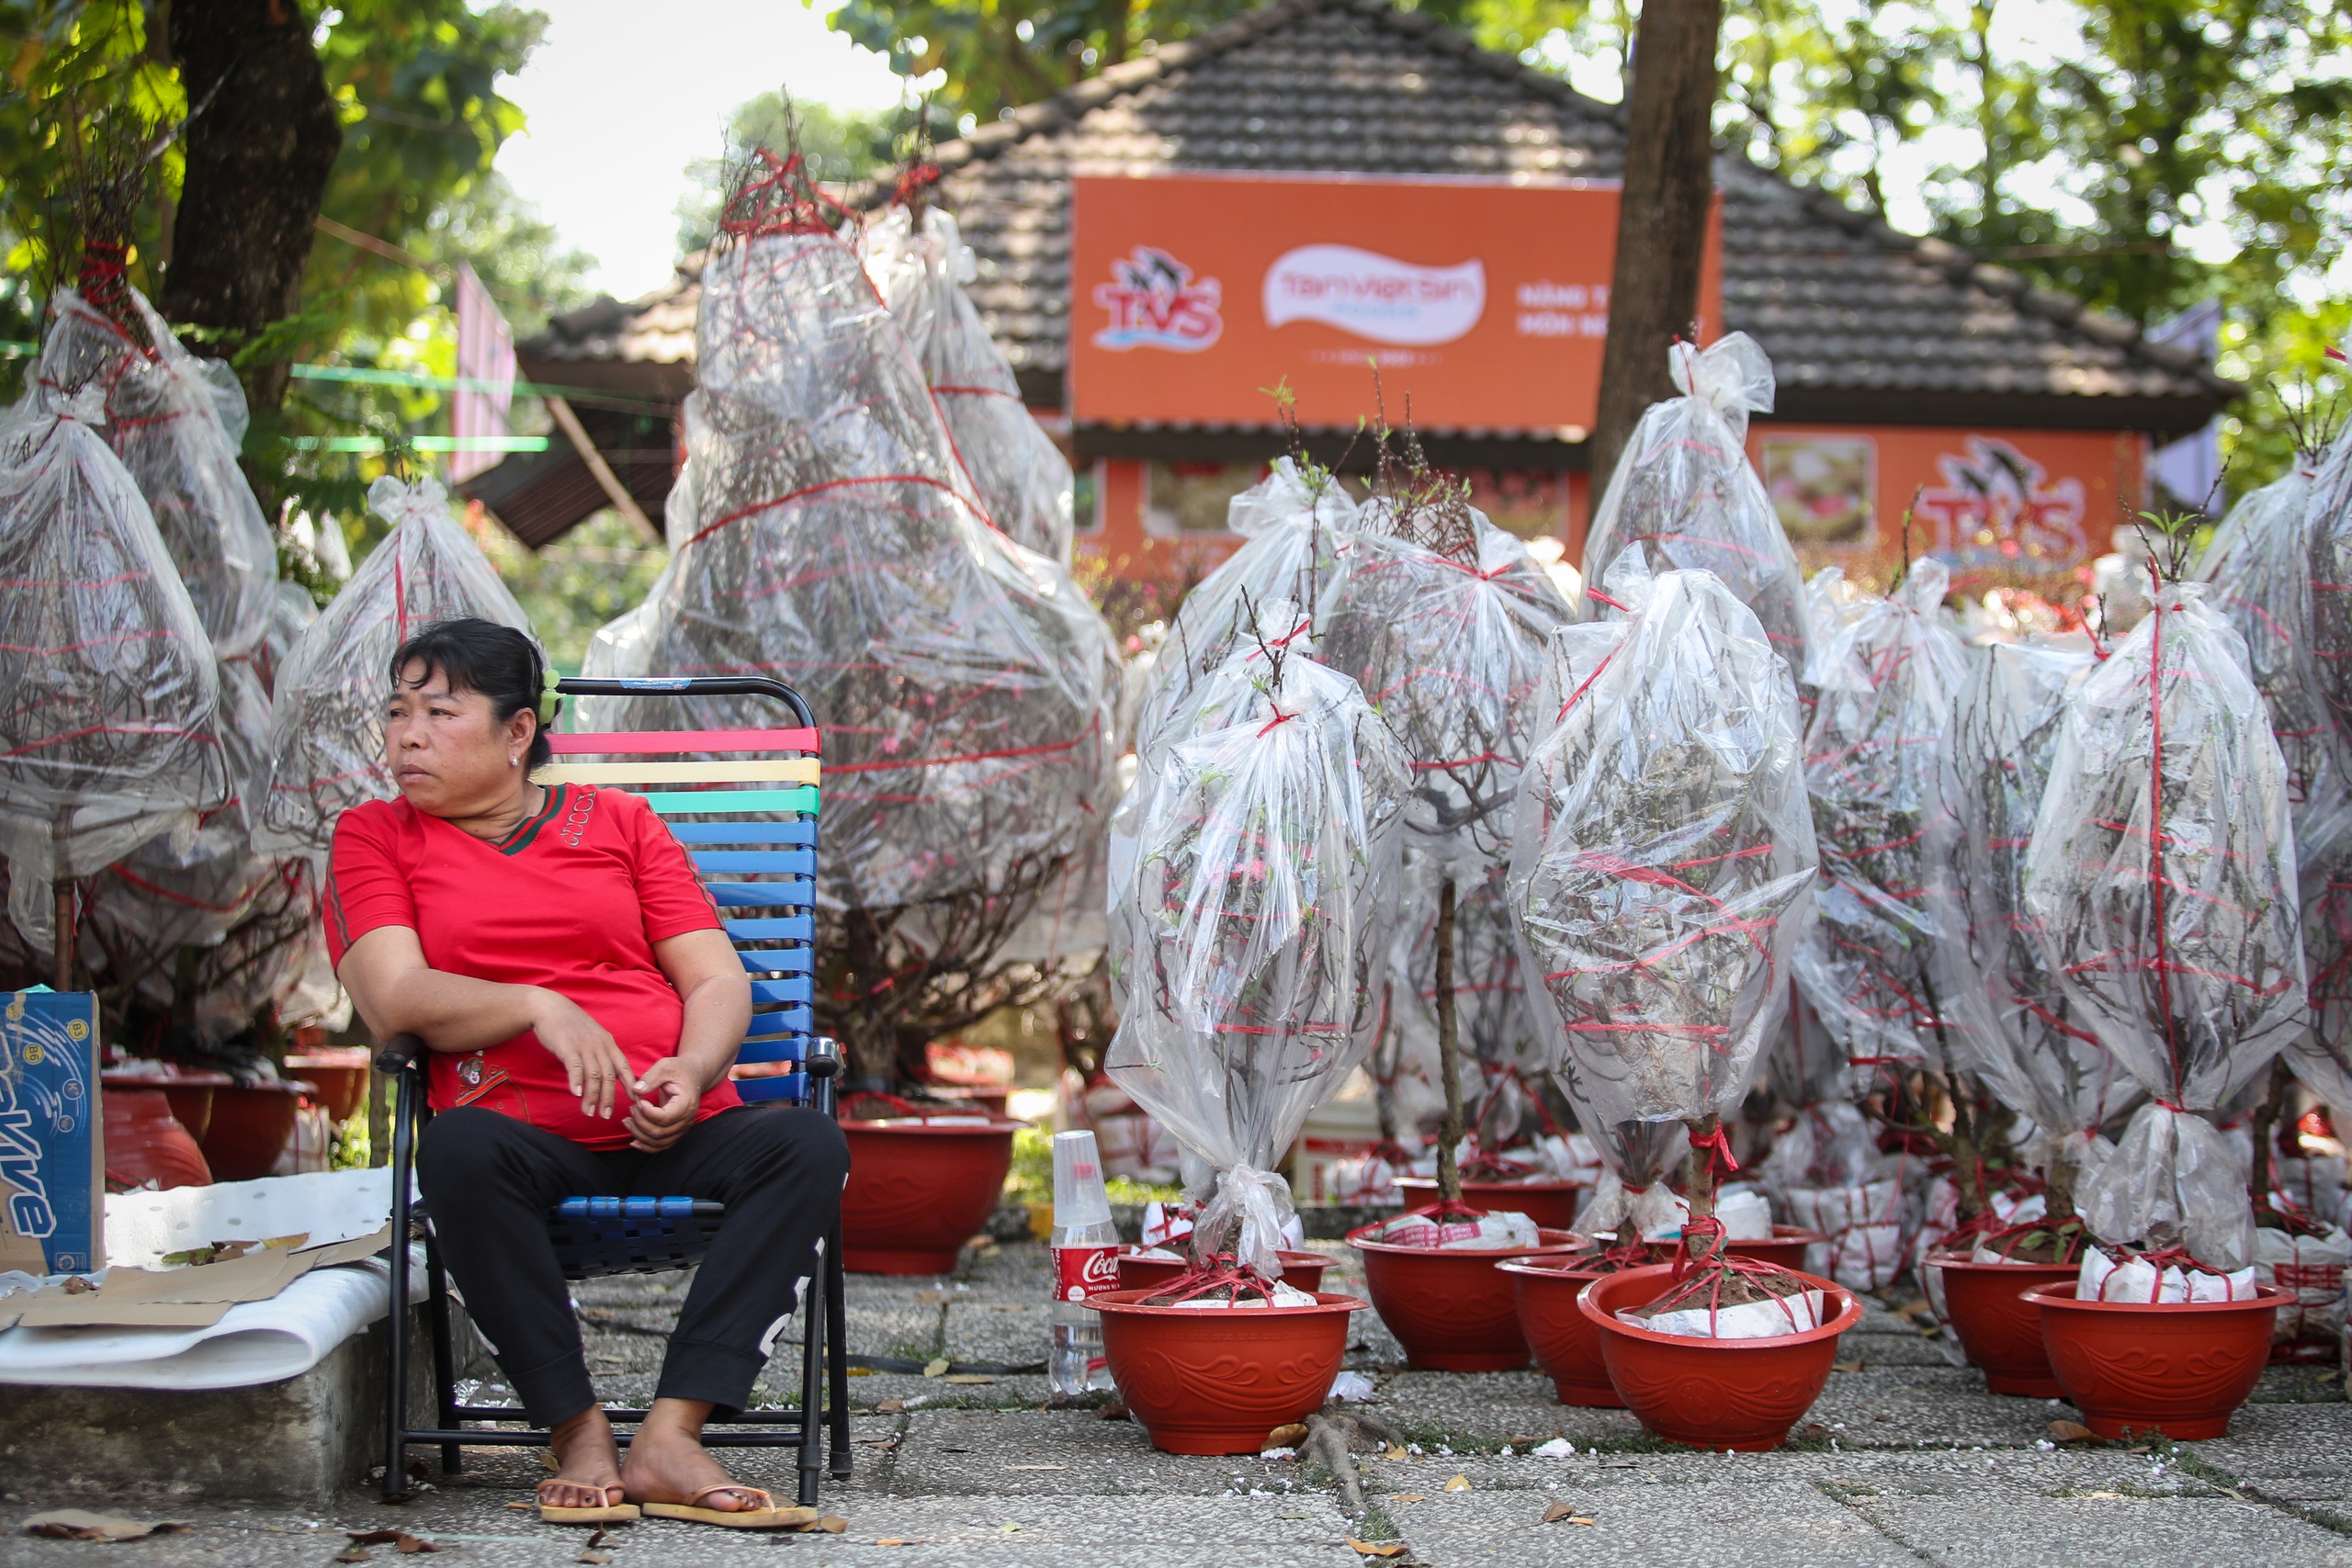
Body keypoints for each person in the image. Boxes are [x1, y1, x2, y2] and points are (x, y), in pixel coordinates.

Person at [328, 617, 846, 1528]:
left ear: (518, 731)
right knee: (455, 1151)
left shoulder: (619, 822)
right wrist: (536, 1004)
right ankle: (578, 1431)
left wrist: (689, 1070)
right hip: (522, 1142)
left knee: (805, 1142)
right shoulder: (376, 836)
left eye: (439, 712)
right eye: (396, 712)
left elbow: (716, 977)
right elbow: (393, 996)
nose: (406, 734)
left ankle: (670, 1435)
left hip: (673, 1126)